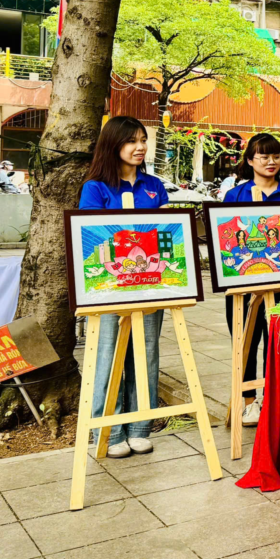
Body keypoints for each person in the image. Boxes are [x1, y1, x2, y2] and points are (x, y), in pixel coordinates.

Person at [79, 116, 168, 458]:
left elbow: (167, 234)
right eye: (132, 141)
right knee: (108, 354)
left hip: (151, 286)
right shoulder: (96, 188)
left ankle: (140, 427)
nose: (140, 147)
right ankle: (109, 430)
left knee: (146, 353)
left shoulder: (154, 185)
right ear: (113, 144)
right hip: (110, 288)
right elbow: (92, 236)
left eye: (143, 139)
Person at [223, 133, 280, 426]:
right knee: (245, 342)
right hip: (242, 283)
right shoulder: (235, 195)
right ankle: (249, 404)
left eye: (275, 156)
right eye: (263, 156)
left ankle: (275, 401)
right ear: (250, 160)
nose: (271, 161)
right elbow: (225, 239)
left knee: (279, 342)